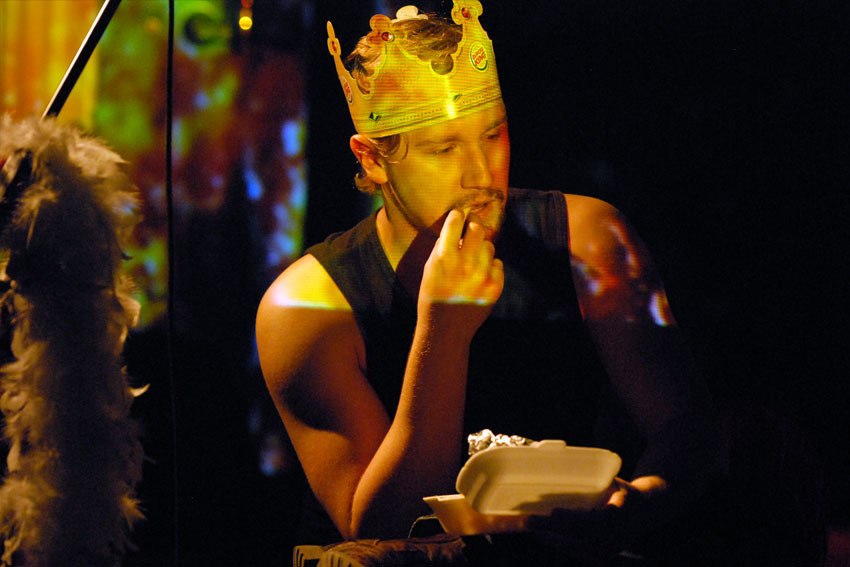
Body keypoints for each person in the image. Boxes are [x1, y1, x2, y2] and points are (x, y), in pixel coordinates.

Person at [256, 1, 718, 562]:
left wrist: (639, 502)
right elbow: (386, 525)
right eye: (444, 148)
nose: (481, 175)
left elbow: (687, 426)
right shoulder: (307, 306)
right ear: (372, 159)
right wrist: (443, 333)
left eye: (493, 135)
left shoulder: (588, 240)